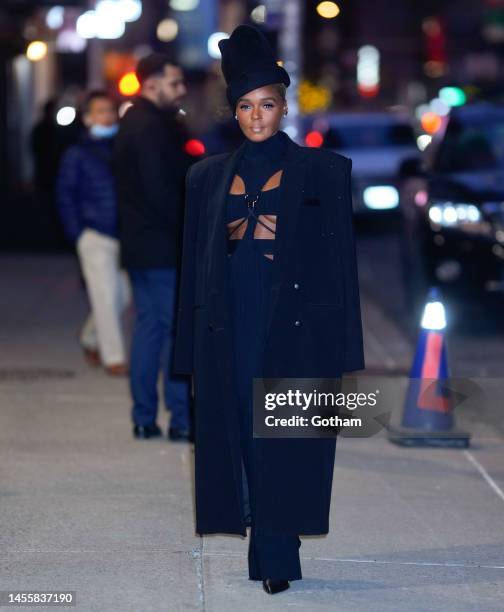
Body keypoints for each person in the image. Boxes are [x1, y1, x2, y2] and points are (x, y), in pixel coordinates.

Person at [174, 25, 364, 595]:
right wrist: (187, 350)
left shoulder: (326, 171)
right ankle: (268, 525)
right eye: (245, 107)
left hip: (298, 324)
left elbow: (341, 264)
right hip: (228, 320)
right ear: (234, 112)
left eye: (267, 105)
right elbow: (193, 266)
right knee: (238, 432)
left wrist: (344, 349)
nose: (256, 116)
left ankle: (276, 550)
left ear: (284, 107)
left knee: (286, 434)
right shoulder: (206, 177)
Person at [115, 54, 193, 442]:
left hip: (141, 244)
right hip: (160, 245)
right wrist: (187, 229)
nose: (180, 90)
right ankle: (179, 418)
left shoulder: (136, 122)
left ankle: (145, 417)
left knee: (150, 328)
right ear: (152, 84)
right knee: (171, 331)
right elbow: (159, 191)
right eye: (174, 83)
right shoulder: (150, 127)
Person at [57, 90, 130, 376]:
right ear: (87, 118)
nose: (107, 116)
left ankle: (89, 337)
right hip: (94, 233)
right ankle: (114, 357)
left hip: (124, 233)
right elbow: (65, 195)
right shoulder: (76, 154)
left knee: (122, 294)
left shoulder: (123, 147)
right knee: (103, 295)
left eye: (110, 111)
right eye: (100, 111)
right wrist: (78, 233)